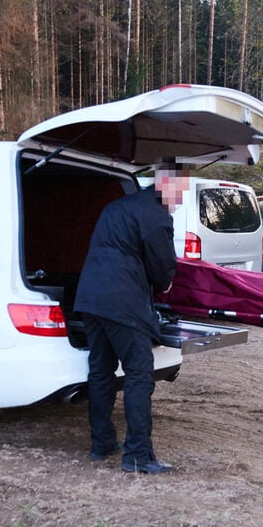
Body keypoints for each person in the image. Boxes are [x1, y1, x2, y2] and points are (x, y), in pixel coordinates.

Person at [74, 163, 191, 474]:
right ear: (165, 184)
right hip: (123, 303)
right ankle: (138, 456)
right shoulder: (157, 217)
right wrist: (165, 282)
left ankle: (101, 444)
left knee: (100, 372)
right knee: (139, 375)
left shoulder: (117, 206)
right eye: (179, 191)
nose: (180, 198)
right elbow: (162, 268)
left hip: (90, 299)